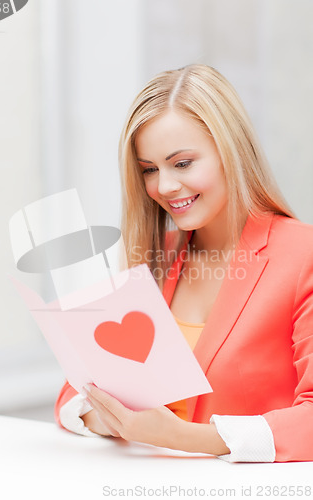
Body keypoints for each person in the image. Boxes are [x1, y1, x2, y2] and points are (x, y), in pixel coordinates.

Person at [54, 64, 313, 463]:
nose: (165, 186)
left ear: (232, 152)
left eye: (183, 163)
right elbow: (76, 394)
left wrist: (185, 437)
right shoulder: (156, 252)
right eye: (149, 170)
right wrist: (119, 419)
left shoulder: (302, 254)